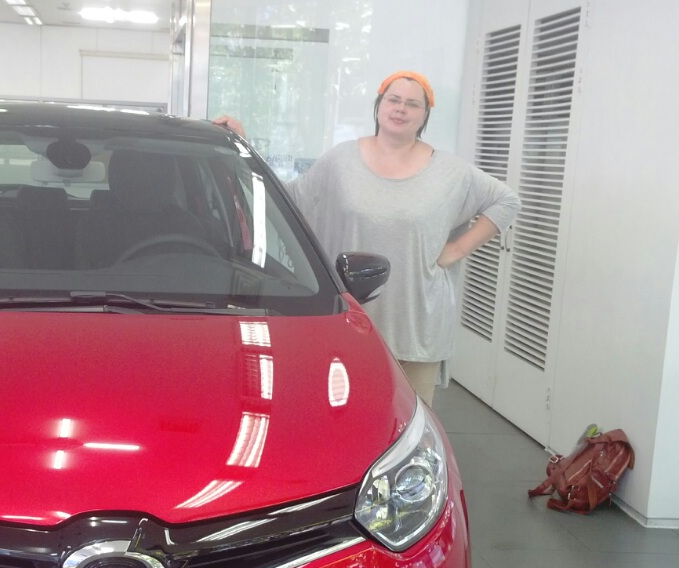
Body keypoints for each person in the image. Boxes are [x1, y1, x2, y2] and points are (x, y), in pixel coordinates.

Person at [213, 70, 520, 406]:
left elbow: (506, 201)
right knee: (344, 415)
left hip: (416, 324)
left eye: (412, 104)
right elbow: (287, 200)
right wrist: (243, 148)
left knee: (410, 420)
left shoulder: (451, 171)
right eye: (394, 99)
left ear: (425, 115)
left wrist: (457, 249)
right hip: (349, 321)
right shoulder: (341, 160)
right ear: (379, 106)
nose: (401, 108)